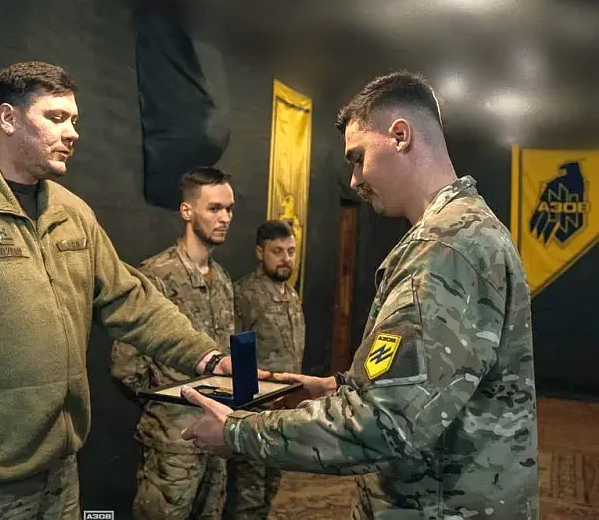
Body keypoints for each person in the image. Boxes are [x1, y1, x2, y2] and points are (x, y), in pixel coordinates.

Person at [0, 60, 252, 520]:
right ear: (7, 118)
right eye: (56, 117)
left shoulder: (71, 212)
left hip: (62, 475)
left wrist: (208, 358)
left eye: (74, 120)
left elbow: (130, 299)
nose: (72, 133)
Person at [180, 71, 539, 519]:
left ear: (400, 136)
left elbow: (385, 424)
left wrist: (237, 431)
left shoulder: (446, 249)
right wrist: (339, 387)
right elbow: (438, 384)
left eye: (358, 157)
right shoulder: (464, 233)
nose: (353, 180)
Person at [110, 166, 237, 520]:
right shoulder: (155, 276)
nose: (225, 218)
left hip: (217, 436)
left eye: (229, 209)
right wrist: (167, 409)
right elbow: (126, 367)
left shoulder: (222, 280)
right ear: (187, 211)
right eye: (214, 208)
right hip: (173, 444)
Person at [227, 219, 305, 520]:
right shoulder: (245, 294)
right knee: (248, 496)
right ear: (260, 252)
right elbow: (230, 353)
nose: (286, 259)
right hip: (253, 412)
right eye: (277, 251)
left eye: (291, 251)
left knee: (272, 487)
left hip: (283, 412)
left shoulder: (291, 295)